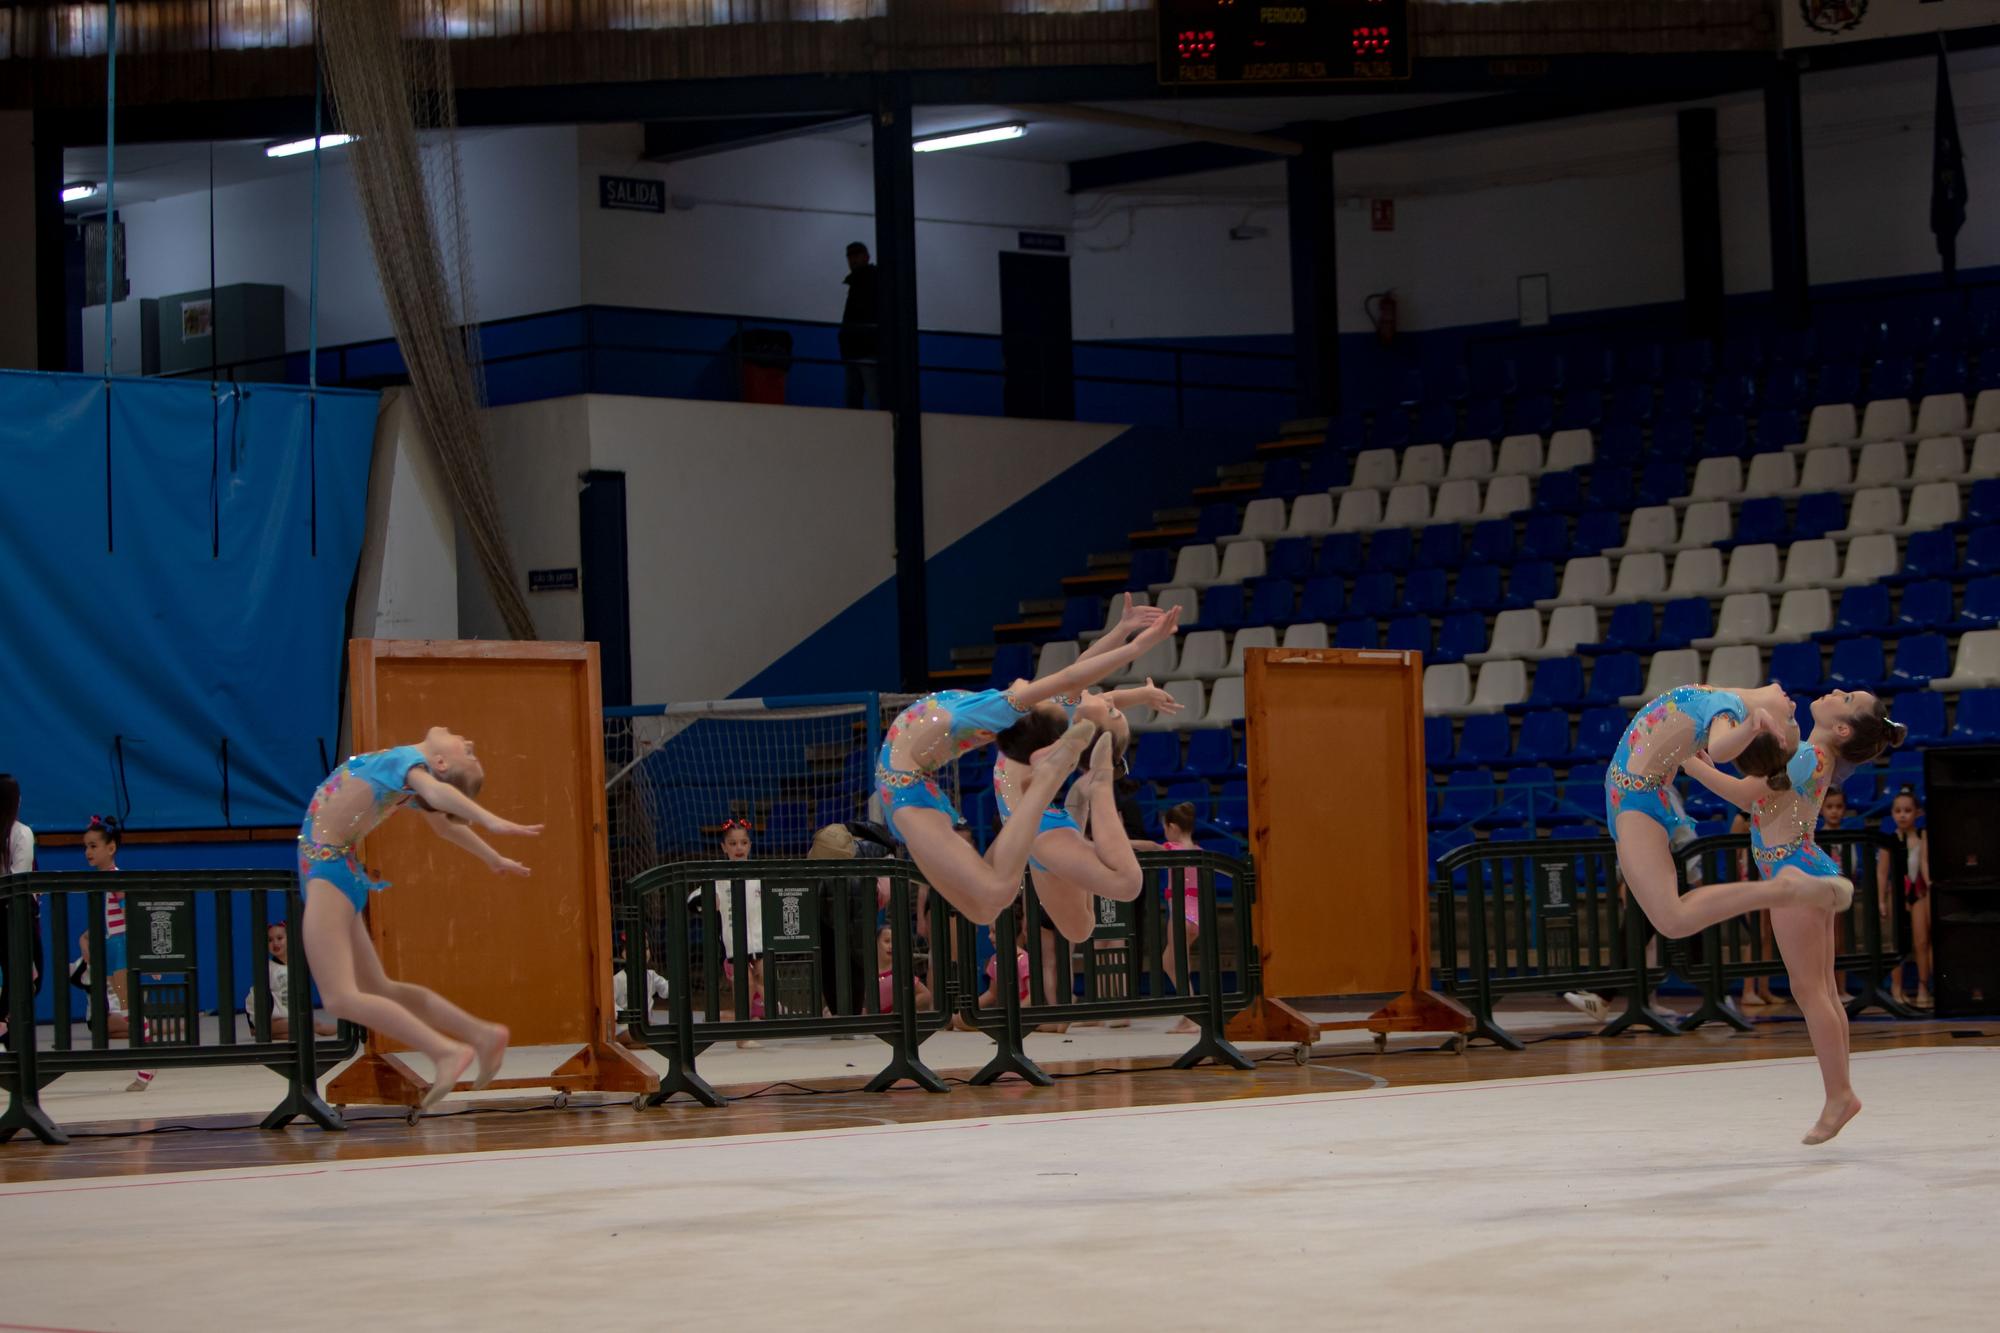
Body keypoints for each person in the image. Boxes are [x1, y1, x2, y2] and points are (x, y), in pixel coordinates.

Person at [1682, 687, 1904, 1144]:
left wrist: (1692, 764)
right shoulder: (1811, 753)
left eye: (1846, 697)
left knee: (1811, 991)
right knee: (1820, 989)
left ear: (1842, 728)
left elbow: (1747, 797)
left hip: (1794, 872)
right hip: (1804, 865)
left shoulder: (1809, 758)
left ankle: (1839, 1095)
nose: (1836, 690)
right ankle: (1841, 1092)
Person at [874, 601, 1181, 928]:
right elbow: (1084, 673)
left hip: (943, 801)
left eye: (1112, 712)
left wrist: (1138, 644)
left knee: (1021, 902)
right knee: (1007, 916)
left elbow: (1073, 674)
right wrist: (1130, 660)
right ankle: (1079, 802)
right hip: (983, 811)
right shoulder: (1039, 718)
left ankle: (1088, 784)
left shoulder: (1012, 711)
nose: (1106, 699)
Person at [296, 729, 537, 1112]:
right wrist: (492, 858)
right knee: (379, 987)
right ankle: (482, 1035)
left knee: (340, 997)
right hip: (336, 871)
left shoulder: (406, 765)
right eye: (470, 750)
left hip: (329, 872)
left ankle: (442, 1051)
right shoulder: (405, 784)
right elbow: (443, 823)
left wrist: (490, 821)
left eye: (467, 752)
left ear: (439, 763)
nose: (469, 741)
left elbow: (442, 797)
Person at [1605, 682, 1853, 941]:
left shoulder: (1728, 706)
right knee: (1670, 920)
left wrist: (1749, 725)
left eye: (1789, 718)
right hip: (1630, 793)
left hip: (1634, 797)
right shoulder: (1722, 702)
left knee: (1672, 920)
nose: (1792, 704)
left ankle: (1783, 889)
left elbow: (1721, 749)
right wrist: (1686, 747)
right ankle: (1782, 890)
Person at [76, 817, 153, 1090]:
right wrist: (86, 940)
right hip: (111, 944)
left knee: (128, 1008)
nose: (88, 852)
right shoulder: (103, 880)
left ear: (111, 848)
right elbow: (108, 919)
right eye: (85, 846)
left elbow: (130, 916)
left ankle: (147, 1065)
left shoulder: (115, 878)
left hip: (120, 946)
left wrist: (144, 953)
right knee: (125, 1007)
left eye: (93, 846)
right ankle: (145, 1062)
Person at [708, 818, 765, 1043]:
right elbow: (696, 897)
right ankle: (742, 1034)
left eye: (743, 842)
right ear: (724, 847)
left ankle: (762, 1020)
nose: (738, 848)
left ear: (750, 845)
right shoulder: (719, 878)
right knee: (746, 985)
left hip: (760, 945)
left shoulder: (760, 874)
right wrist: (707, 900)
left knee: (767, 982)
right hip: (734, 948)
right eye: (732, 843)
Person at [1879, 786, 1932, 1010]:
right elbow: (1882, 872)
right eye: (1898, 811)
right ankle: (1896, 988)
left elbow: (1925, 864)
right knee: (1897, 944)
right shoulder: (1889, 840)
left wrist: (1929, 886)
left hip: (1918, 893)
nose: (1902, 815)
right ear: (1892, 814)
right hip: (1897, 894)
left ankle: (1922, 986)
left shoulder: (1922, 836)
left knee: (1921, 942)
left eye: (1908, 810)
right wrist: (1881, 900)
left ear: (1917, 813)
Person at [0, 774, 41, 1051]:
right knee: (27, 978)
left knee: (12, 981)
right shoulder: (21, 832)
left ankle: (12, 1044)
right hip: (15, 917)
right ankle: (5, 1030)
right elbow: (20, 880)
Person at [245, 922, 337, 1043]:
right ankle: (344, 1030)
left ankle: (263, 1034)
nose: (275, 943)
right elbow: (254, 997)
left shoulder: (295, 965)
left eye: (280, 938)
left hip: (285, 1018)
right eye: (270, 940)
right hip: (270, 1021)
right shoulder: (269, 968)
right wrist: (256, 1022)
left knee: (301, 1034)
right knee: (314, 1025)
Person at [839, 241, 880, 409]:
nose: (853, 260)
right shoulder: (864, 280)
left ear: (866, 257)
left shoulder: (867, 280)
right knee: (870, 398)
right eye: (850, 257)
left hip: (864, 350)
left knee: (868, 399)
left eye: (856, 256)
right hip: (858, 350)